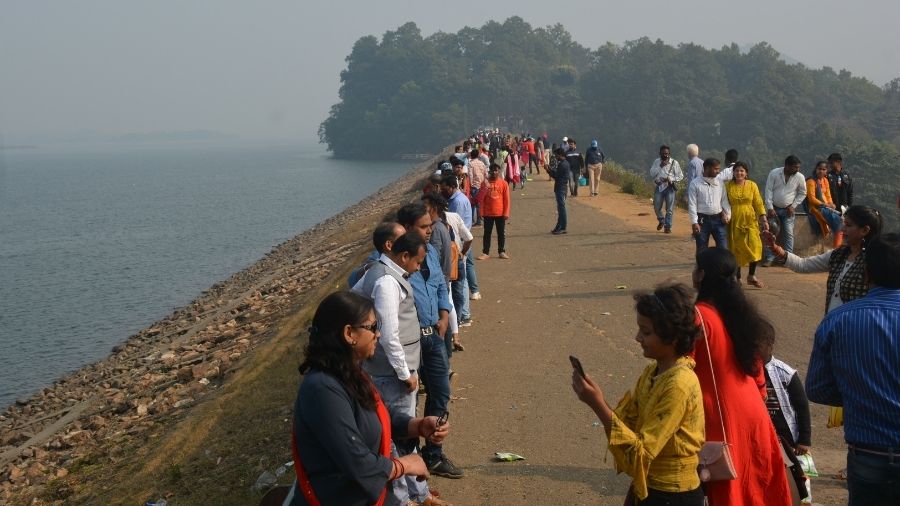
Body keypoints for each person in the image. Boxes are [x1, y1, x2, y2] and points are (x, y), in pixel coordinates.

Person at [286, 291, 450, 506]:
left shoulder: (350, 374)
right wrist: (404, 465)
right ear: (349, 334)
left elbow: (375, 416)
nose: (379, 334)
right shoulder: (322, 389)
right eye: (372, 327)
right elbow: (356, 459)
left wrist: (417, 426)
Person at [572, 283, 705, 505]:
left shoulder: (679, 384)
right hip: (648, 487)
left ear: (671, 337)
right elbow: (628, 426)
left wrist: (597, 405)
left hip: (673, 495)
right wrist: (597, 399)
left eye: (646, 332)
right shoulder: (653, 371)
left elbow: (641, 453)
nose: (637, 338)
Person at [692, 248, 792, 505]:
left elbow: (681, 370)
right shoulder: (740, 313)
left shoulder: (699, 316)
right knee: (755, 487)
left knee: (729, 490)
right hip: (752, 411)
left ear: (701, 275)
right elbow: (758, 372)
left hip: (720, 417)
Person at [806, 233, 900, 505]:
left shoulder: (838, 319)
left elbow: (817, 388)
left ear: (867, 272)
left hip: (868, 455)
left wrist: (859, 393)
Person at [350, 232, 431, 505]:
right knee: (397, 439)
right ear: (404, 256)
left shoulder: (376, 270)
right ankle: (406, 498)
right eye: (417, 262)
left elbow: (353, 297)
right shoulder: (386, 281)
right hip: (391, 374)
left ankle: (415, 494)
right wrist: (405, 372)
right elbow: (388, 333)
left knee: (397, 437)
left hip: (384, 370)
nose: (418, 268)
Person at [395, 203, 462, 482]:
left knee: (441, 392)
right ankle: (404, 461)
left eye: (430, 225)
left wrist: (445, 315)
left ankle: (433, 455)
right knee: (405, 403)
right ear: (408, 228)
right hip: (409, 342)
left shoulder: (431, 252)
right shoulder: (391, 261)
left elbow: (440, 286)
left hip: (434, 336)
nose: (430, 230)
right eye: (424, 227)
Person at [764, 205, 883, 314]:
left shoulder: (874, 261)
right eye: (843, 224)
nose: (842, 229)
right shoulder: (839, 255)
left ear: (864, 230)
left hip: (855, 329)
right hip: (832, 325)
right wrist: (776, 249)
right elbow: (803, 265)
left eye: (848, 225)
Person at [440, 175, 477, 327]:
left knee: (459, 285)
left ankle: (463, 316)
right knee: (460, 283)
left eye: (444, 187)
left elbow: (465, 234)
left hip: (458, 248)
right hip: (459, 248)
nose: (443, 190)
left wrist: (462, 253)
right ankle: (462, 316)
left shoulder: (457, 204)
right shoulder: (456, 202)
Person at [725, 161, 768, 287]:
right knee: (736, 248)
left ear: (746, 173)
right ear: (733, 172)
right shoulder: (727, 186)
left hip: (750, 220)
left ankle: (751, 275)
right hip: (734, 219)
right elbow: (723, 202)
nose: (739, 173)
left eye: (742, 171)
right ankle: (737, 277)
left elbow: (758, 203)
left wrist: (763, 218)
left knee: (755, 246)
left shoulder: (752, 185)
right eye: (737, 170)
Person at [763, 155, 807, 265]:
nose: (797, 169)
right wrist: (770, 207)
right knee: (771, 233)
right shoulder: (774, 173)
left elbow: (803, 193)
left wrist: (793, 206)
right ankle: (769, 257)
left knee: (788, 233)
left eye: (798, 167)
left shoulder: (799, 177)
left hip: (788, 210)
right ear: (787, 166)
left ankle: (788, 259)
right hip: (774, 209)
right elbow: (768, 190)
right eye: (795, 167)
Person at [687, 158, 731, 255]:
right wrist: (694, 222)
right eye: (715, 169)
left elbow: (724, 201)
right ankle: (701, 268)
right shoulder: (695, 183)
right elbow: (692, 204)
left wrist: (728, 215)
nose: (718, 171)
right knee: (702, 249)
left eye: (718, 169)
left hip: (718, 220)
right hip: (702, 220)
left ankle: (720, 269)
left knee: (723, 248)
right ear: (707, 168)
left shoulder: (719, 182)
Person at [805, 161, 844, 248]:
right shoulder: (811, 181)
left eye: (824, 169)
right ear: (816, 169)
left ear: (826, 171)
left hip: (827, 207)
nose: (821, 171)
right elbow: (811, 199)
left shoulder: (825, 180)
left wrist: (831, 203)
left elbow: (828, 195)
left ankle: (835, 245)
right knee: (828, 225)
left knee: (839, 221)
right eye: (819, 169)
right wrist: (826, 205)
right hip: (815, 208)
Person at [476, 164, 511, 259]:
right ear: (489, 171)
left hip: (500, 213)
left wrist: (506, 213)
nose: (494, 172)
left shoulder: (504, 183)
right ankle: (485, 252)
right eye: (492, 170)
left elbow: (507, 200)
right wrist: (481, 212)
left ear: (499, 171)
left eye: (496, 170)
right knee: (487, 233)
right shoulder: (485, 183)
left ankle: (501, 251)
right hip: (488, 213)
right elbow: (481, 200)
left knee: (501, 233)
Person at [650, 145, 683, 234]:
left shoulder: (674, 163)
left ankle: (667, 226)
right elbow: (652, 173)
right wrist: (660, 166)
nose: (665, 155)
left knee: (669, 209)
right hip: (659, 187)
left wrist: (671, 179)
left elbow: (680, 176)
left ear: (669, 154)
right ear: (660, 153)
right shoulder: (657, 162)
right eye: (663, 153)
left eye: (667, 153)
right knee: (656, 207)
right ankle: (661, 220)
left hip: (669, 187)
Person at [550, 148, 571, 235]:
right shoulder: (564, 163)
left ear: (560, 155)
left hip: (561, 188)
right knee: (560, 208)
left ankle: (563, 227)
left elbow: (556, 175)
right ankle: (559, 226)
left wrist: (548, 170)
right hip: (562, 187)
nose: (555, 156)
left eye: (556, 155)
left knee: (561, 209)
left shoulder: (563, 164)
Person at [468, 149, 488, 227]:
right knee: (479, 203)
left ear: (471, 155)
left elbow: (470, 175)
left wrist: (471, 185)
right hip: (482, 185)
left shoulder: (470, 164)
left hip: (475, 186)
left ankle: (473, 219)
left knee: (473, 203)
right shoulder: (481, 163)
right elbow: (486, 174)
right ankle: (479, 219)